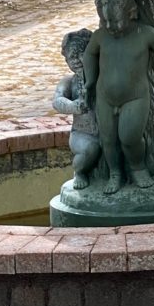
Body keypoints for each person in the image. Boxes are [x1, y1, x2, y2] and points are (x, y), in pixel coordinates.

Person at [83, 0, 154, 194]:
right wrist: (90, 80)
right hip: (105, 97)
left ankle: (138, 167)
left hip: (135, 97)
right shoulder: (100, 36)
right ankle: (115, 173)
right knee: (108, 139)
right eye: (105, 21)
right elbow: (89, 54)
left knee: (130, 137)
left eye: (115, 21)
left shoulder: (146, 34)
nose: (110, 26)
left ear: (131, 12)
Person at [52, 28, 100, 190]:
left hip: (106, 132)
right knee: (90, 149)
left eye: (82, 54)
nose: (77, 60)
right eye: (71, 57)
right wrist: (73, 106)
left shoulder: (102, 78)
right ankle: (80, 172)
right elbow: (57, 100)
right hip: (82, 133)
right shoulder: (69, 82)